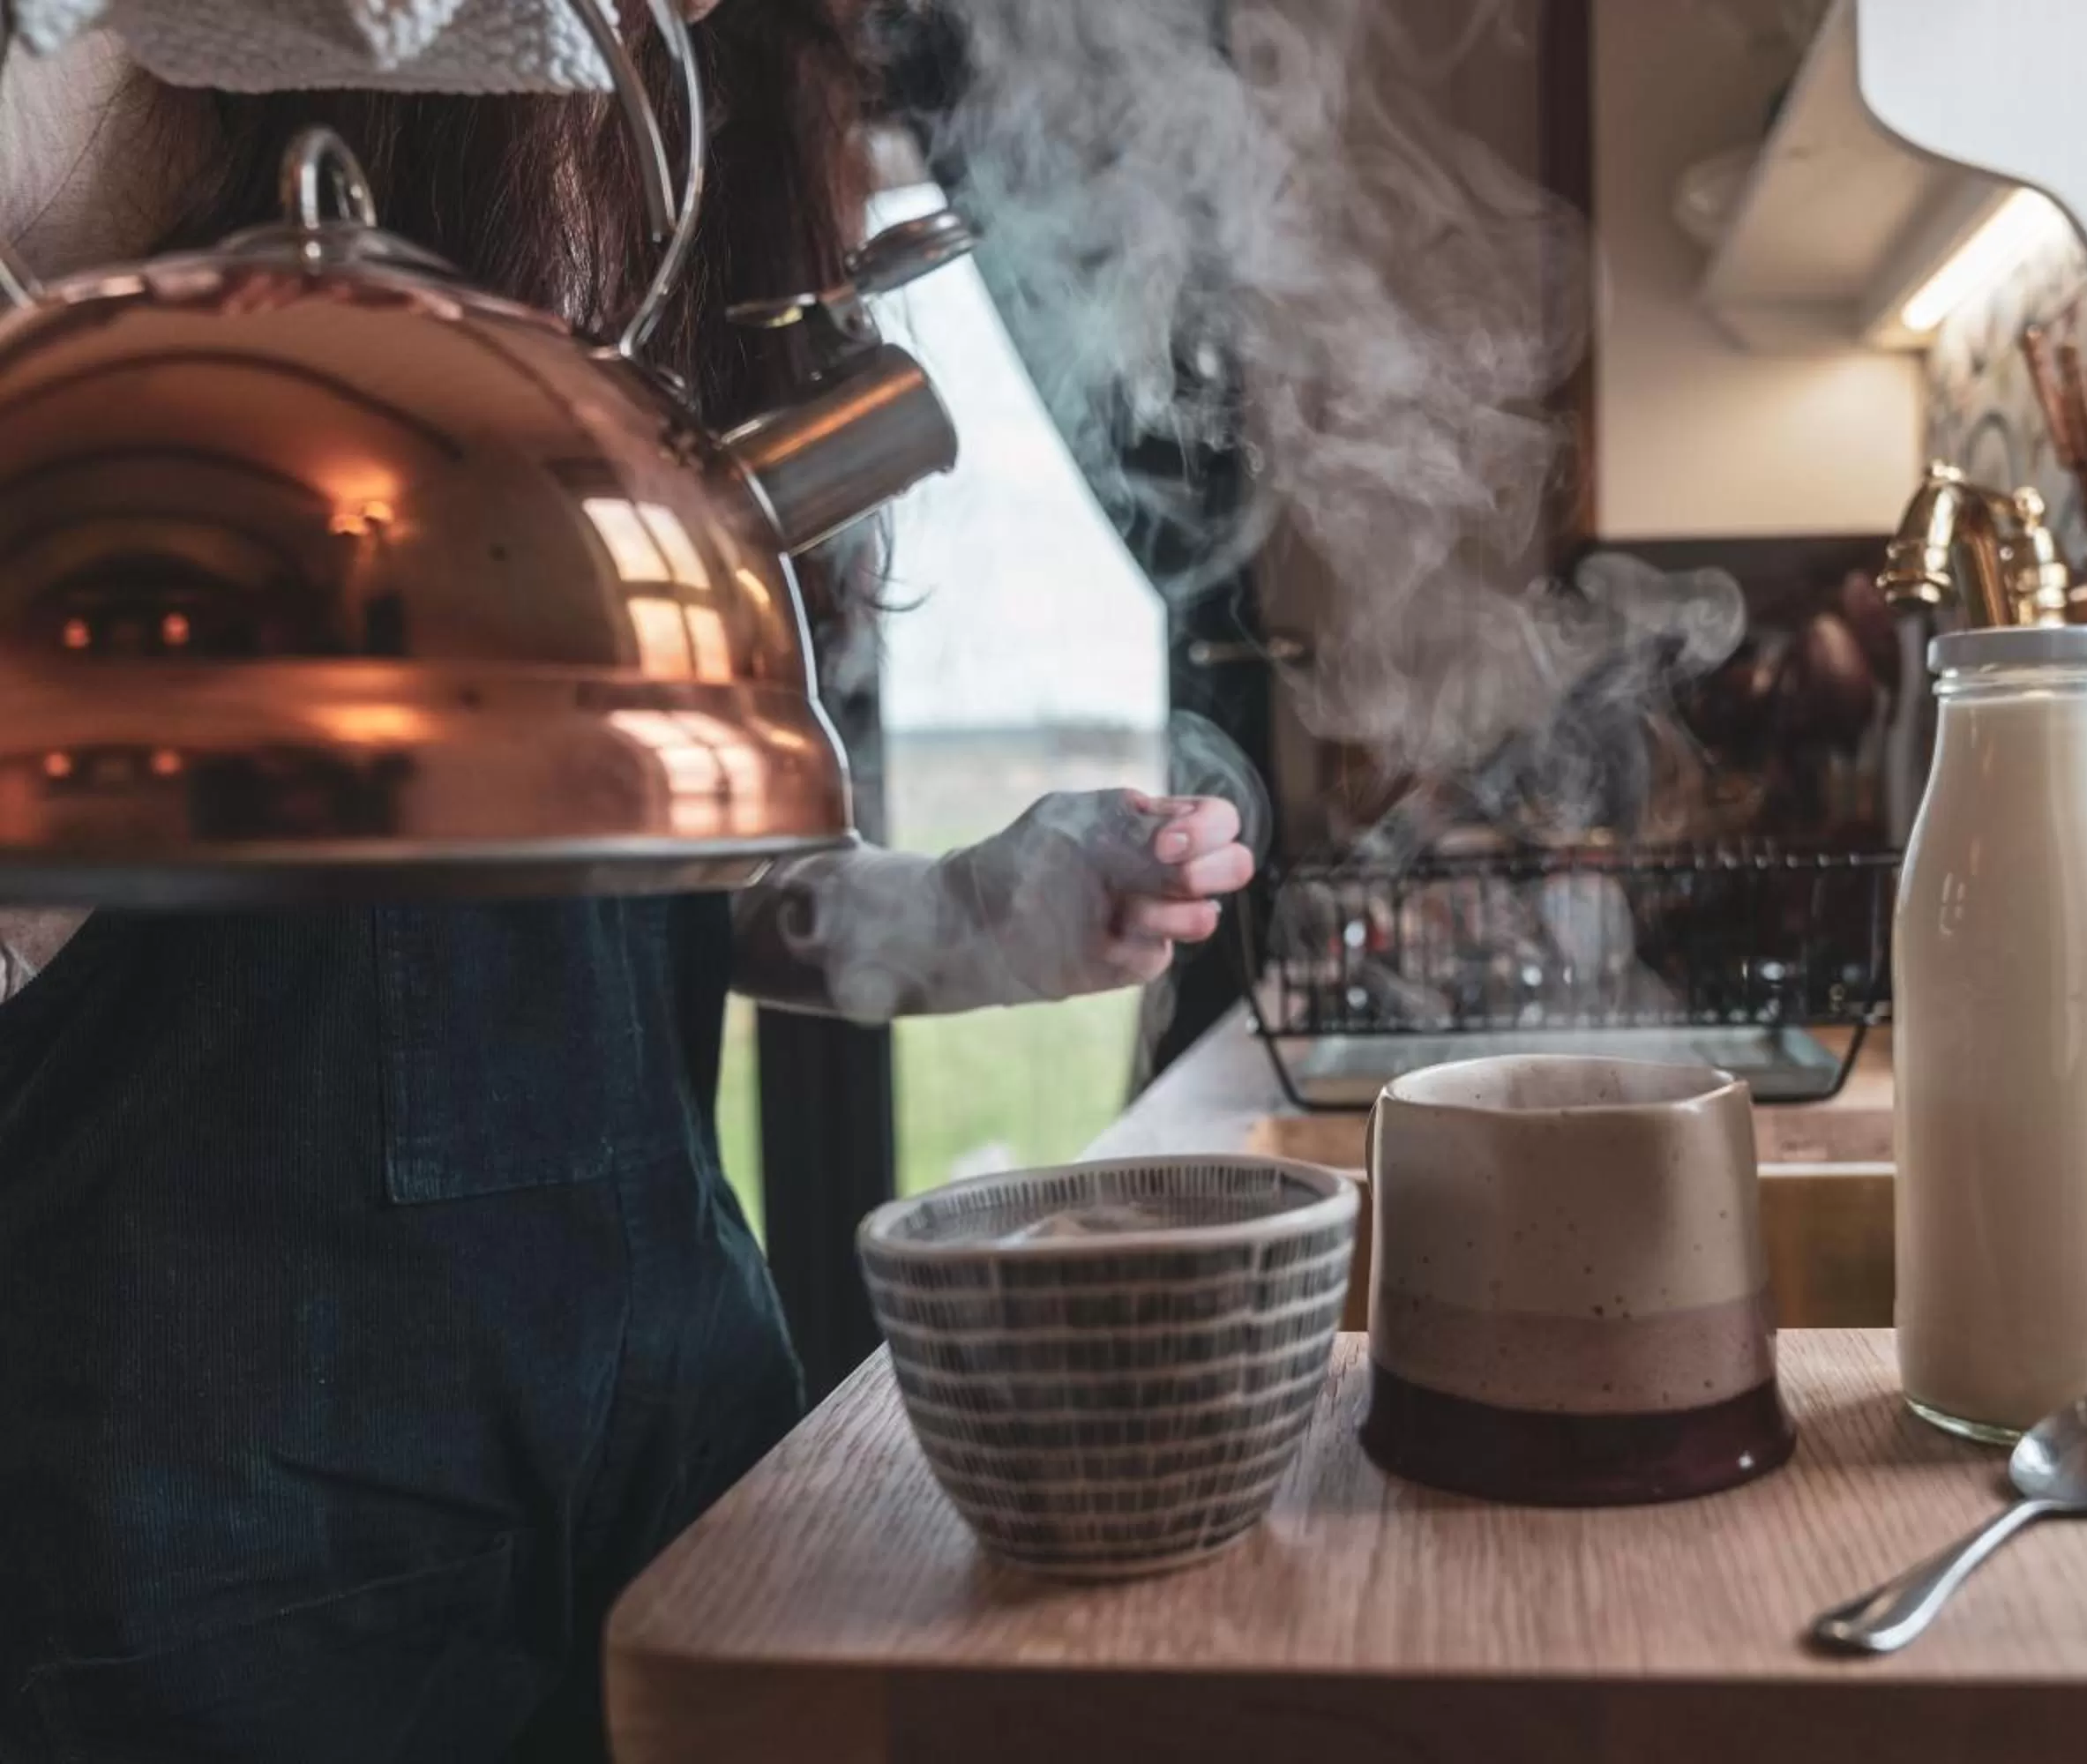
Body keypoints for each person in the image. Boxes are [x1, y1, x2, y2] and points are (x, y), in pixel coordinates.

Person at [0, 5, 1252, 1758]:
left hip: (673, 1410)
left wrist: (969, 916)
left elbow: (671, 857)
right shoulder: (113, 86)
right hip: (222, 1496)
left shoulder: (689, 125)